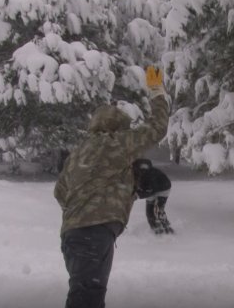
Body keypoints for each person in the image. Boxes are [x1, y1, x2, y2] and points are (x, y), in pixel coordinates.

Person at [54, 66, 169, 308]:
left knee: (85, 294)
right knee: (87, 298)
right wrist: (156, 90)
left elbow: (60, 191)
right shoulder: (114, 143)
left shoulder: (78, 153)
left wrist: (102, 197)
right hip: (93, 234)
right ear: (117, 128)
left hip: (72, 235)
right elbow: (157, 128)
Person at [132, 158, 174, 234]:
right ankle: (155, 229)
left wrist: (138, 195)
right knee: (149, 211)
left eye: (145, 168)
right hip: (150, 189)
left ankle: (167, 228)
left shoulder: (152, 175)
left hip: (163, 188)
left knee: (158, 210)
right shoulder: (136, 173)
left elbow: (150, 190)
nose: (143, 170)